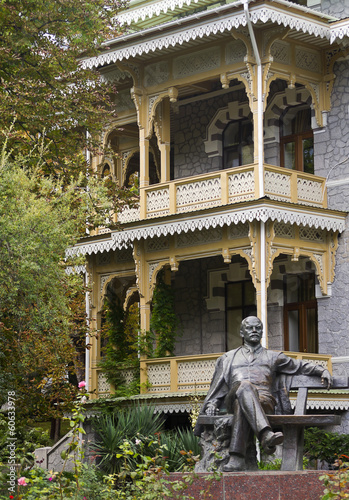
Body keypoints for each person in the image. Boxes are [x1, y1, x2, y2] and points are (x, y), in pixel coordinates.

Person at [195, 316, 332, 472]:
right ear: (241, 332)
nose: (254, 330)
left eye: (258, 328)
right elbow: (219, 388)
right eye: (249, 328)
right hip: (233, 398)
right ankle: (266, 435)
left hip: (264, 402)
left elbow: (299, 365)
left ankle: (237, 459)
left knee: (243, 400)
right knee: (244, 387)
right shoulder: (227, 358)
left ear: (261, 332)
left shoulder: (273, 357)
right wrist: (212, 404)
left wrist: (321, 369)